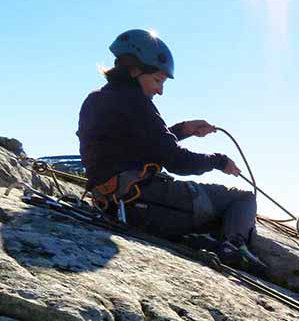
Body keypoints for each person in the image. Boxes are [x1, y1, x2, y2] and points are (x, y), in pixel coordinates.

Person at [77, 28, 265, 272]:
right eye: (157, 80)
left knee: (214, 209)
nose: (160, 90)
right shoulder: (136, 103)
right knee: (242, 198)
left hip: (114, 204)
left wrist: (184, 129)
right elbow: (177, 161)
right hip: (146, 203)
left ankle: (206, 239)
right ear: (134, 70)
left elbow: (141, 145)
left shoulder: (97, 99)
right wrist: (219, 161)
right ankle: (234, 248)